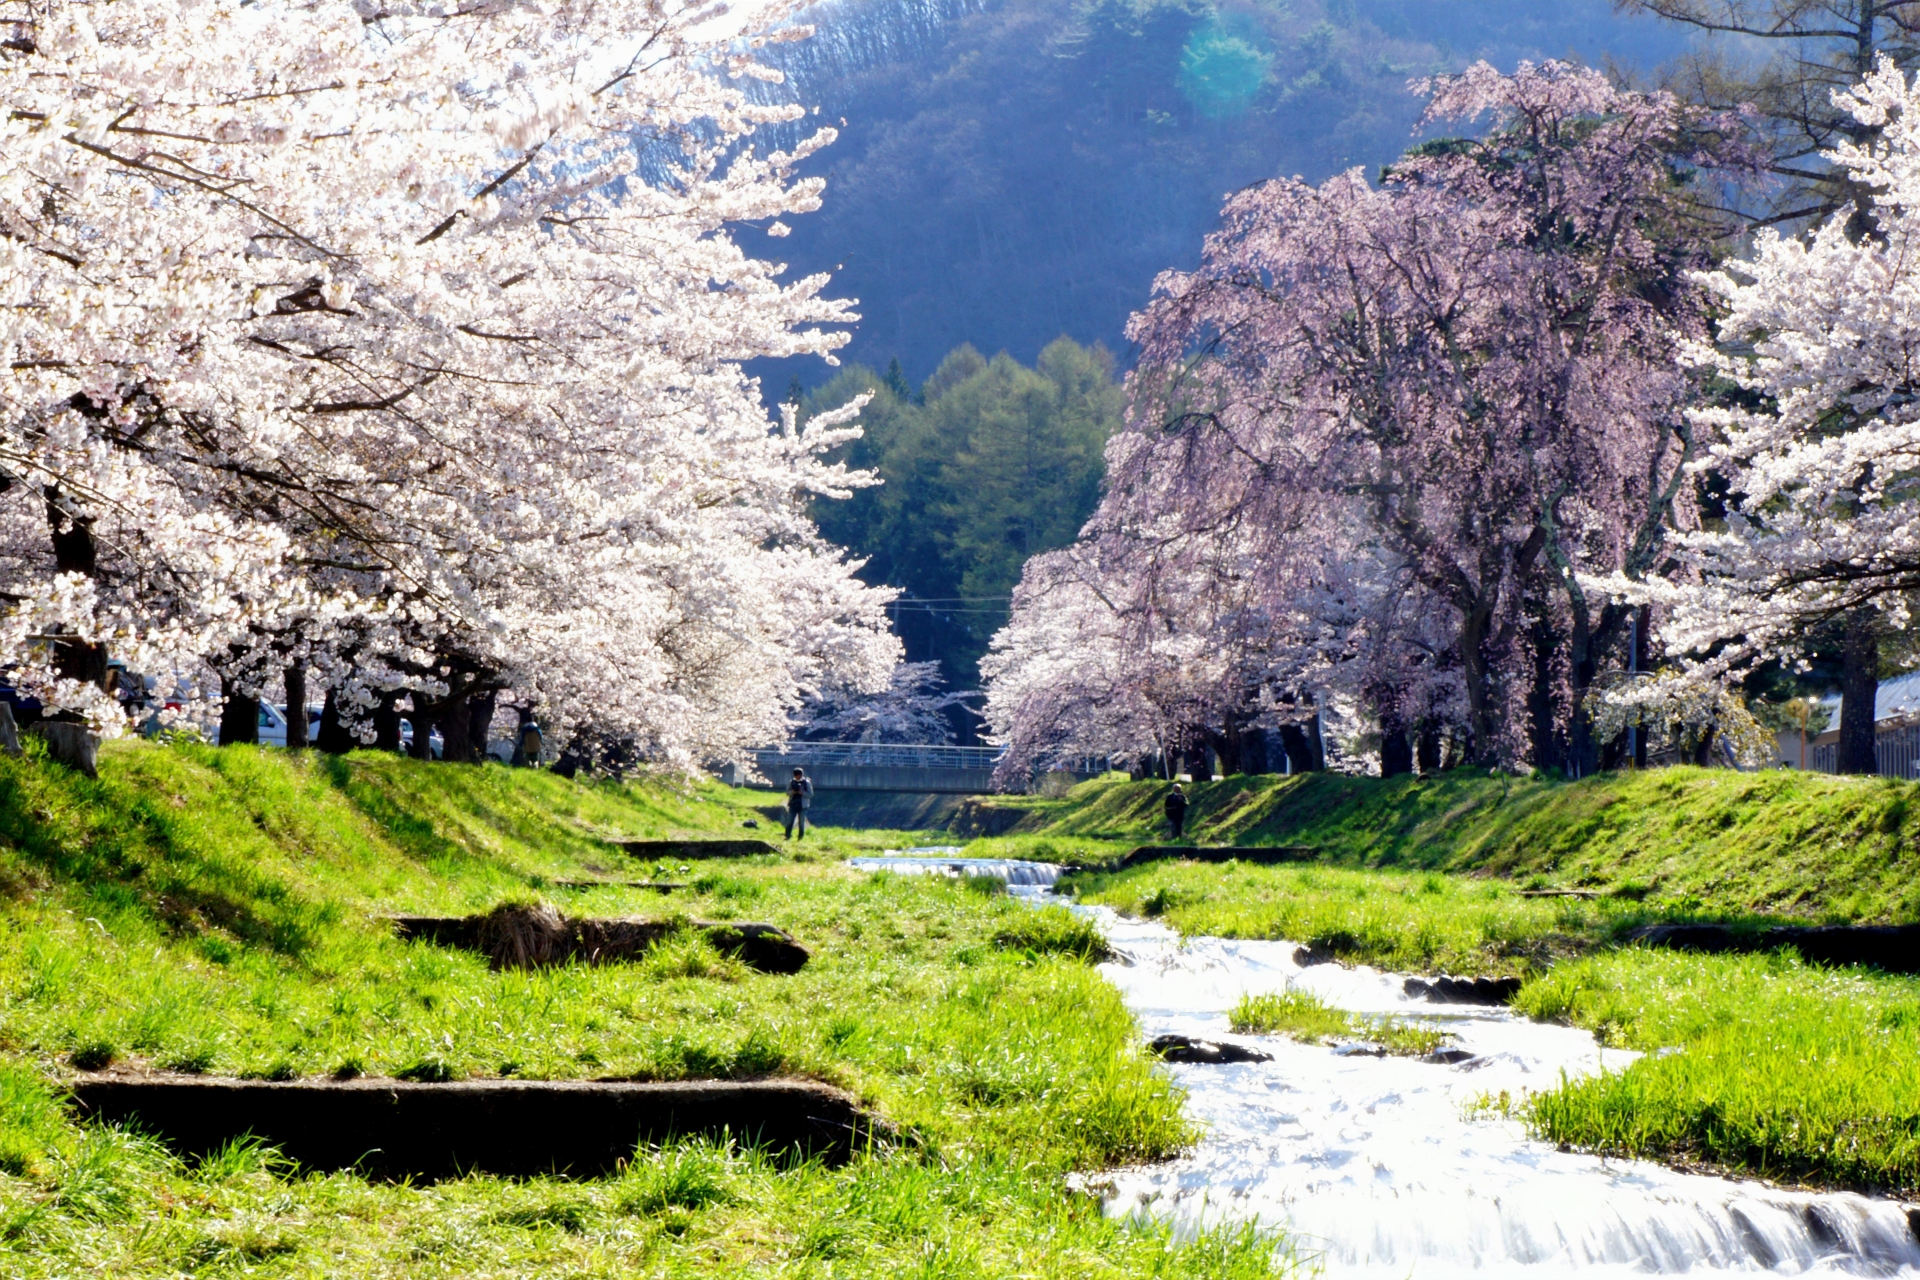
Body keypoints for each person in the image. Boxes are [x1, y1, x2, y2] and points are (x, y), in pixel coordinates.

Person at [784, 767, 814, 839]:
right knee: (790, 821)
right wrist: (792, 792)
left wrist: (802, 793)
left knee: (801, 823)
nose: (798, 777)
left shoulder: (806, 783)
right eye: (797, 775)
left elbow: (810, 794)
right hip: (793, 804)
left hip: (803, 806)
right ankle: (787, 835)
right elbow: (787, 792)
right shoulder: (791, 782)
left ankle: (800, 837)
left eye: (799, 775)